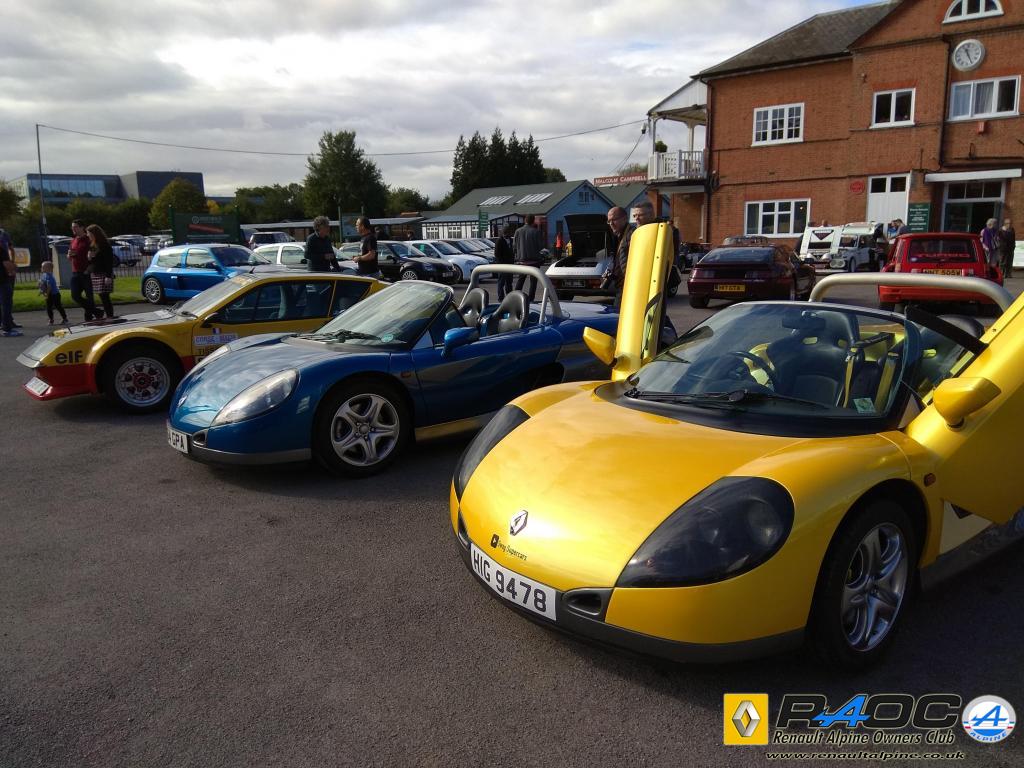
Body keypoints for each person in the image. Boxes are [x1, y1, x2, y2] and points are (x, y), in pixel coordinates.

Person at [602, 206, 633, 309]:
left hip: (629, 286)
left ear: (625, 218)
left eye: (614, 220)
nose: (611, 223)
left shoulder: (632, 234)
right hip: (621, 286)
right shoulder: (618, 236)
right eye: (609, 221)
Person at [68, 220, 99, 321]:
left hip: (86, 271)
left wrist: (90, 267)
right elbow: (70, 256)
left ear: (82, 228)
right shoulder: (73, 240)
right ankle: (96, 311)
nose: (74, 229)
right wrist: (69, 255)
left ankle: (89, 317)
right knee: (75, 295)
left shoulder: (88, 239)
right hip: (75, 271)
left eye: (76, 227)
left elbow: (95, 254)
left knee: (89, 296)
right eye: (73, 227)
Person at [86, 224, 116, 320]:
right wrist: (89, 257)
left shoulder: (104, 245)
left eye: (89, 233)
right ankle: (109, 315)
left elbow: (109, 261)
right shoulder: (93, 245)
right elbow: (92, 260)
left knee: (104, 296)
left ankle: (110, 316)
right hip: (96, 273)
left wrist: (108, 275)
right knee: (101, 295)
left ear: (95, 234)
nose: (88, 235)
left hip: (103, 273)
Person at [512, 214, 544, 300]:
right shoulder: (536, 232)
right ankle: (531, 299)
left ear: (525, 220)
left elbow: (514, 246)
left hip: (522, 260)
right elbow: (540, 246)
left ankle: (515, 297)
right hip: (534, 261)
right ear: (533, 221)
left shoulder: (518, 231)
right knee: (533, 282)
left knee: (520, 280)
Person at [0, 236, 19, 337]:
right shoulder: (2, 251)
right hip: (2, 280)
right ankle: (7, 328)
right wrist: (14, 268)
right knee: (6, 304)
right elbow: (7, 264)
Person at [494, 223, 516, 300]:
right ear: (504, 232)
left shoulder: (511, 240)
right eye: (507, 232)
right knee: (501, 282)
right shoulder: (499, 241)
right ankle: (501, 298)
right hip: (502, 265)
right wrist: (502, 263)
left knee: (509, 282)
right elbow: (497, 254)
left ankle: (509, 298)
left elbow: (513, 251)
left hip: (510, 265)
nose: (509, 234)